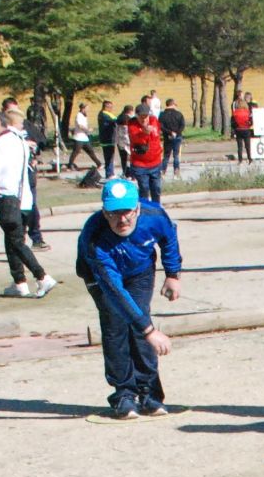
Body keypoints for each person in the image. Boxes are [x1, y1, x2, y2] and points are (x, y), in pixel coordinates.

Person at [77, 177, 184, 418]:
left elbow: (169, 238)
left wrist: (173, 273)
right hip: (101, 276)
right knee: (116, 325)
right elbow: (114, 290)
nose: (122, 219)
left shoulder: (154, 215)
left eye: (127, 212)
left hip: (139, 270)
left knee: (140, 319)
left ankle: (149, 392)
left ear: (137, 208)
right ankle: (124, 393)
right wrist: (150, 331)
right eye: (114, 213)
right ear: (104, 212)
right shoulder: (94, 236)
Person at [0, 108, 56, 298]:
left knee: (16, 242)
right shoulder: (18, 140)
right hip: (25, 199)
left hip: (8, 198)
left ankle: (42, 277)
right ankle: (19, 282)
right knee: (11, 240)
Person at [3, 108, 47, 249]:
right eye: (20, 123)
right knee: (19, 211)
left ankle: (34, 239)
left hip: (28, 175)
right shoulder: (8, 138)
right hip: (15, 180)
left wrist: (33, 156)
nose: (23, 126)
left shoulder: (22, 134)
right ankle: (19, 243)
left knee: (30, 207)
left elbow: (40, 142)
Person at [126, 101, 166, 202]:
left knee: (156, 188)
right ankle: (144, 207)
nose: (144, 119)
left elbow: (157, 136)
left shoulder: (154, 120)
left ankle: (156, 207)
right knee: (144, 188)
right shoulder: (132, 125)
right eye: (141, 117)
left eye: (146, 116)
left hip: (155, 162)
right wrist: (144, 132)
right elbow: (136, 139)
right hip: (140, 164)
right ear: (136, 116)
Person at [70, 102, 102, 171]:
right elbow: (80, 126)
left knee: (90, 151)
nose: (88, 110)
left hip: (84, 138)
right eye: (87, 108)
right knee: (75, 152)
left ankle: (99, 164)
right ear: (83, 108)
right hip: (78, 138)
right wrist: (88, 129)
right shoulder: (79, 116)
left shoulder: (84, 116)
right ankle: (70, 165)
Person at [158, 98, 186, 176]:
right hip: (177, 136)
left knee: (166, 155)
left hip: (167, 137)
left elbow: (161, 126)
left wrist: (170, 132)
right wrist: (176, 132)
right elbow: (182, 125)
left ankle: (163, 171)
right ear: (173, 104)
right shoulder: (179, 114)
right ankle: (176, 170)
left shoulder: (162, 115)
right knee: (176, 155)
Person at [232, 93, 255, 163]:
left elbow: (233, 122)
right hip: (246, 130)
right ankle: (250, 158)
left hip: (238, 130)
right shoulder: (247, 112)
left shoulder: (235, 112)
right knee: (247, 145)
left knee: (239, 146)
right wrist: (249, 125)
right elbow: (251, 121)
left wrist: (235, 128)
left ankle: (240, 160)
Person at [99, 101, 120, 177]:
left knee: (110, 156)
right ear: (106, 107)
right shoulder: (104, 115)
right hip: (107, 139)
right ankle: (109, 173)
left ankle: (111, 173)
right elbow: (114, 120)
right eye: (110, 107)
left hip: (110, 138)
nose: (112, 108)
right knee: (109, 157)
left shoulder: (108, 114)